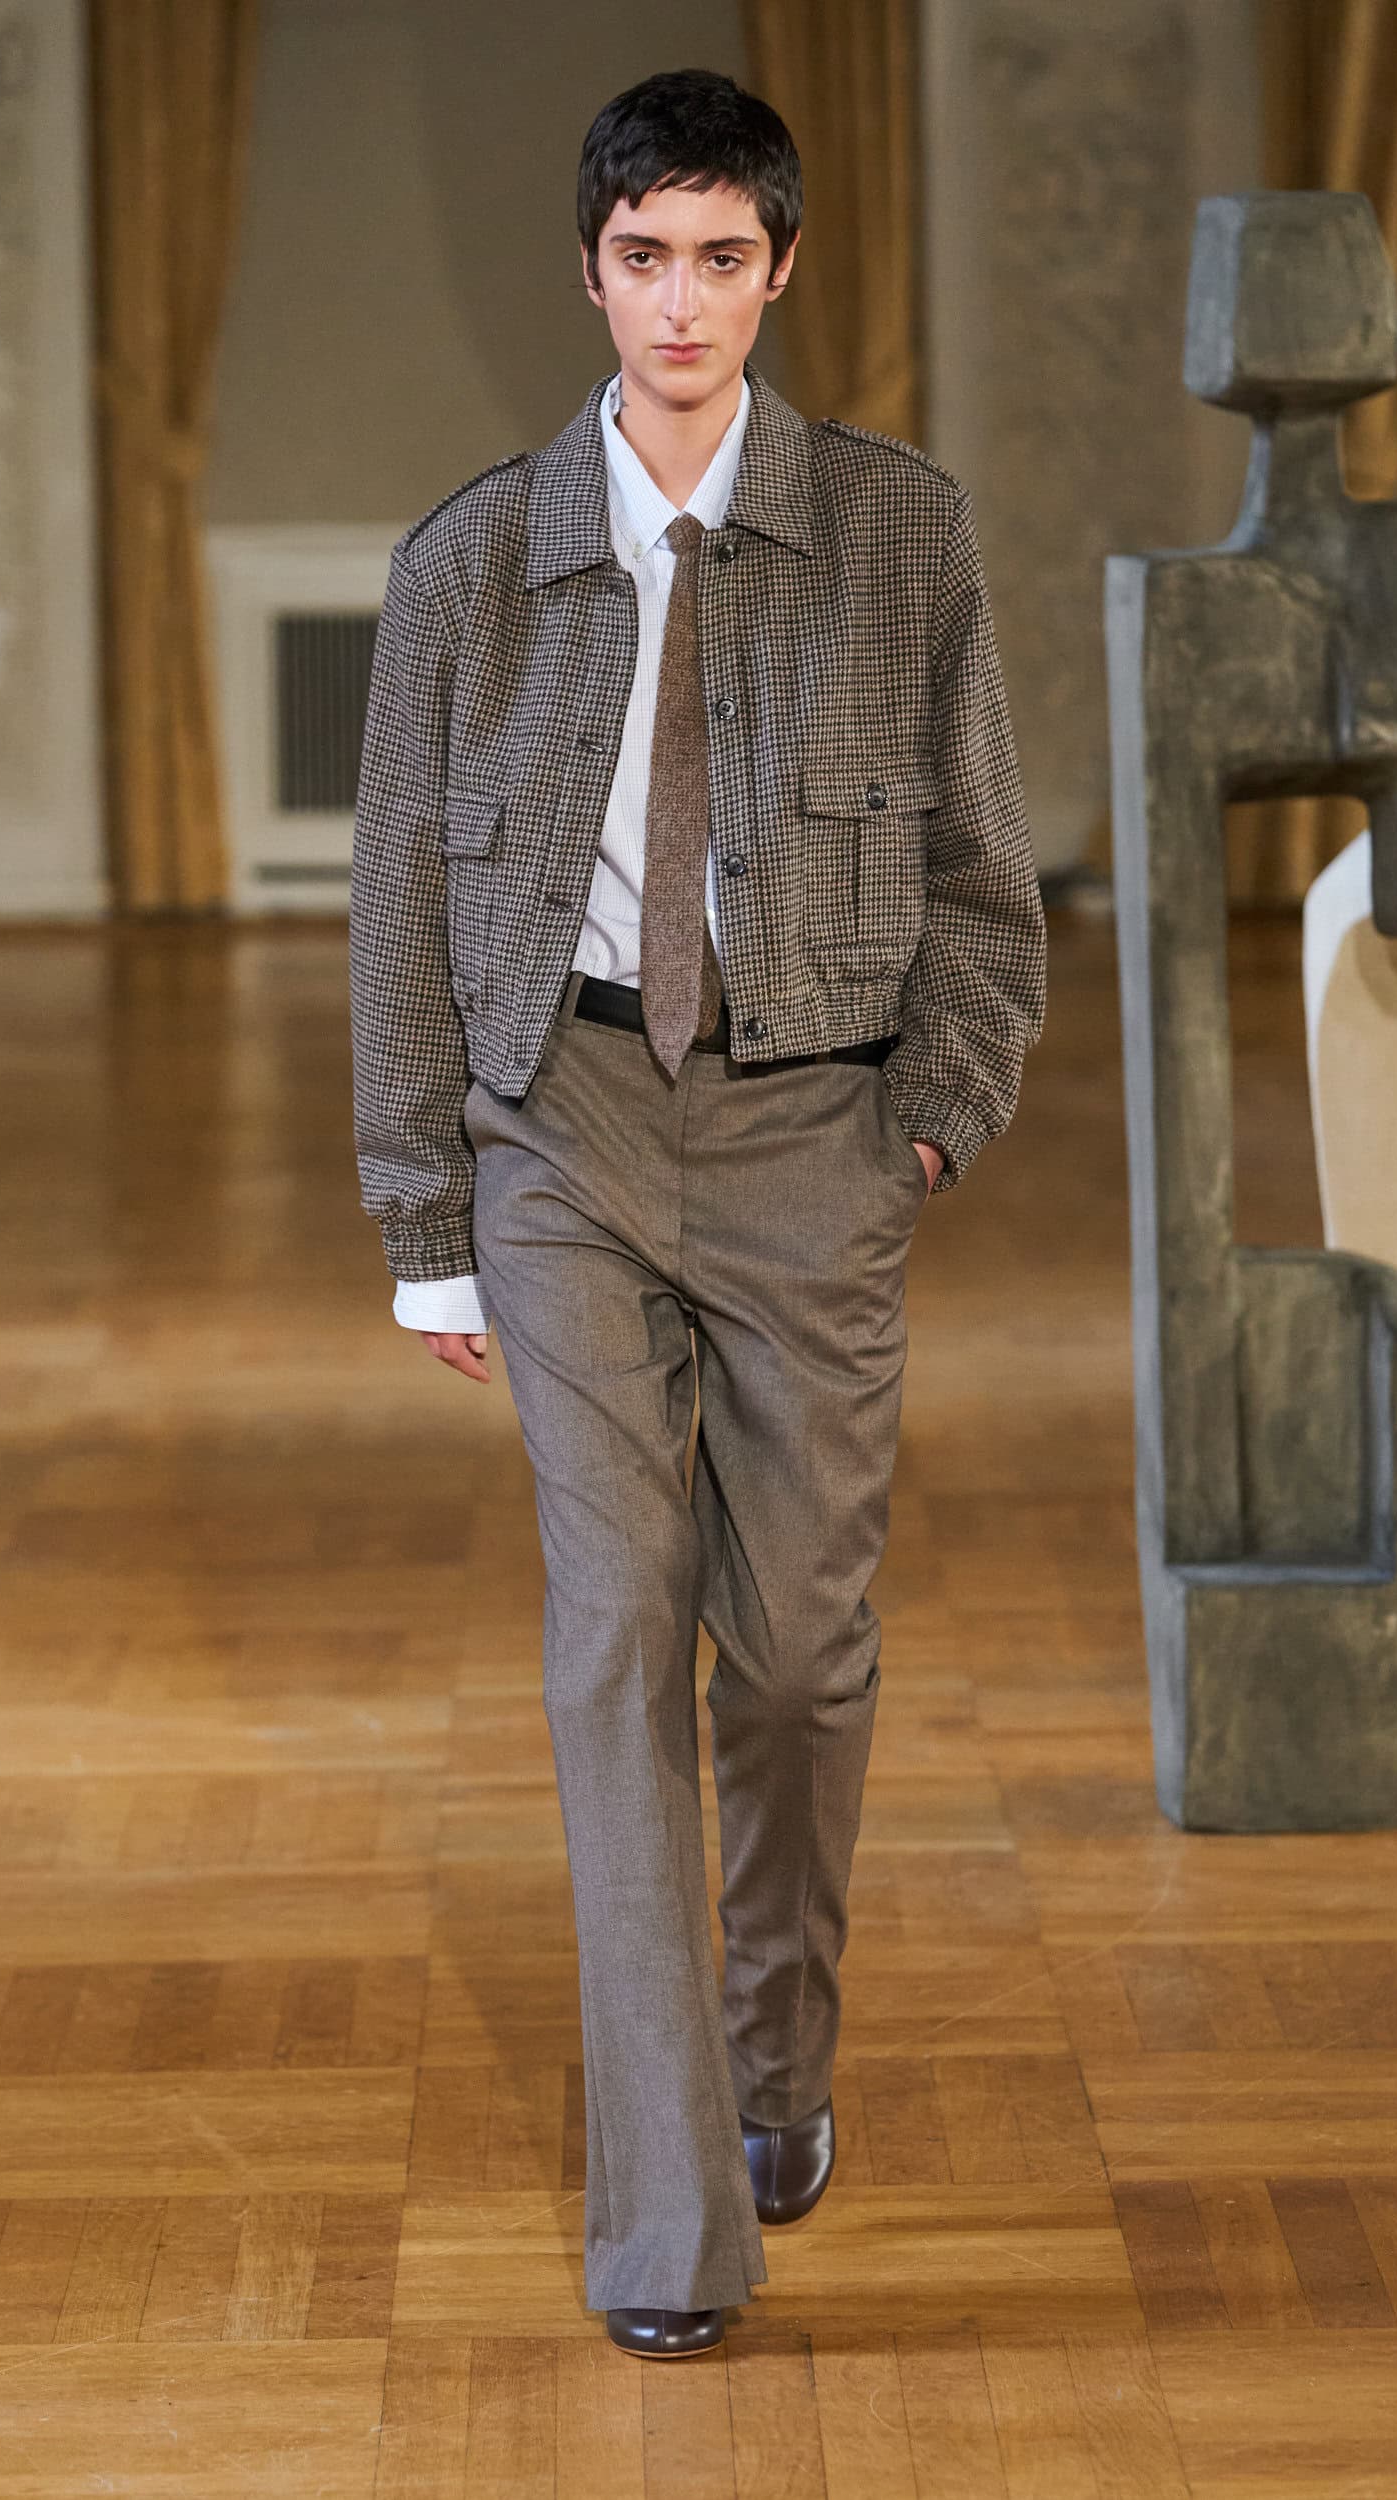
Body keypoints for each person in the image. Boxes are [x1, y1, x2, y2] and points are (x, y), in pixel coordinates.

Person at [349, 65, 1045, 2360]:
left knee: (806, 1649)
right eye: (642, 255)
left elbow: (984, 877)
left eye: (720, 256)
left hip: (809, 1126)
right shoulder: (469, 562)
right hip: (560, 1124)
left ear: (778, 272)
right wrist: (425, 1211)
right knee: (613, 1631)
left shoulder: (900, 535)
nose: (679, 299)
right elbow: (396, 908)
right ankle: (668, 2228)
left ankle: (775, 2053)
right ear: (590, 271)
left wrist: (922, 1125)